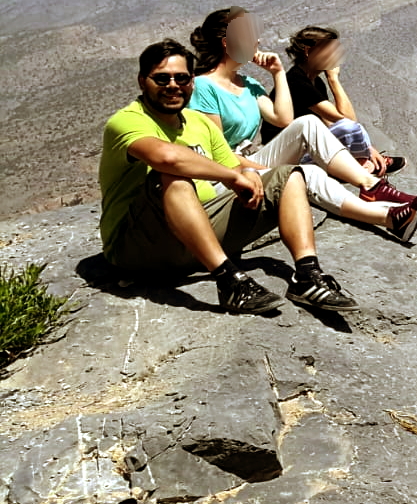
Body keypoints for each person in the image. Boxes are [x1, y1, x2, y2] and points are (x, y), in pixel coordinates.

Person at [98, 39, 359, 314]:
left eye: (182, 78)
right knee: (173, 178)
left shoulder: (198, 122)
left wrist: (247, 176)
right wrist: (232, 178)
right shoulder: (126, 120)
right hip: (138, 247)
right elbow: (167, 158)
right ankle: (229, 282)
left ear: (191, 82)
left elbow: (233, 166)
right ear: (143, 82)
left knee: (288, 177)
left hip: (196, 237)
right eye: (162, 78)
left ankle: (307, 276)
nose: (173, 85)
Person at [188, 7, 417, 243]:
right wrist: (268, 170)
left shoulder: (247, 84)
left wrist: (277, 73)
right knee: (307, 173)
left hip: (249, 162)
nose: (257, 41)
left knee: (308, 123)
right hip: (228, 175)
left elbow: (283, 119)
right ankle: (389, 218)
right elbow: (217, 155)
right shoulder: (204, 87)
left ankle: (373, 188)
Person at [282, 24, 404, 176]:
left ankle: (364, 163)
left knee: (347, 132)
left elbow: (331, 123)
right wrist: (333, 79)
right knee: (348, 129)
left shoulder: (315, 82)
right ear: (308, 51)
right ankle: (364, 166)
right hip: (289, 155)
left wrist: (368, 148)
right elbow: (348, 121)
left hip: (305, 146)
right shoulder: (296, 82)